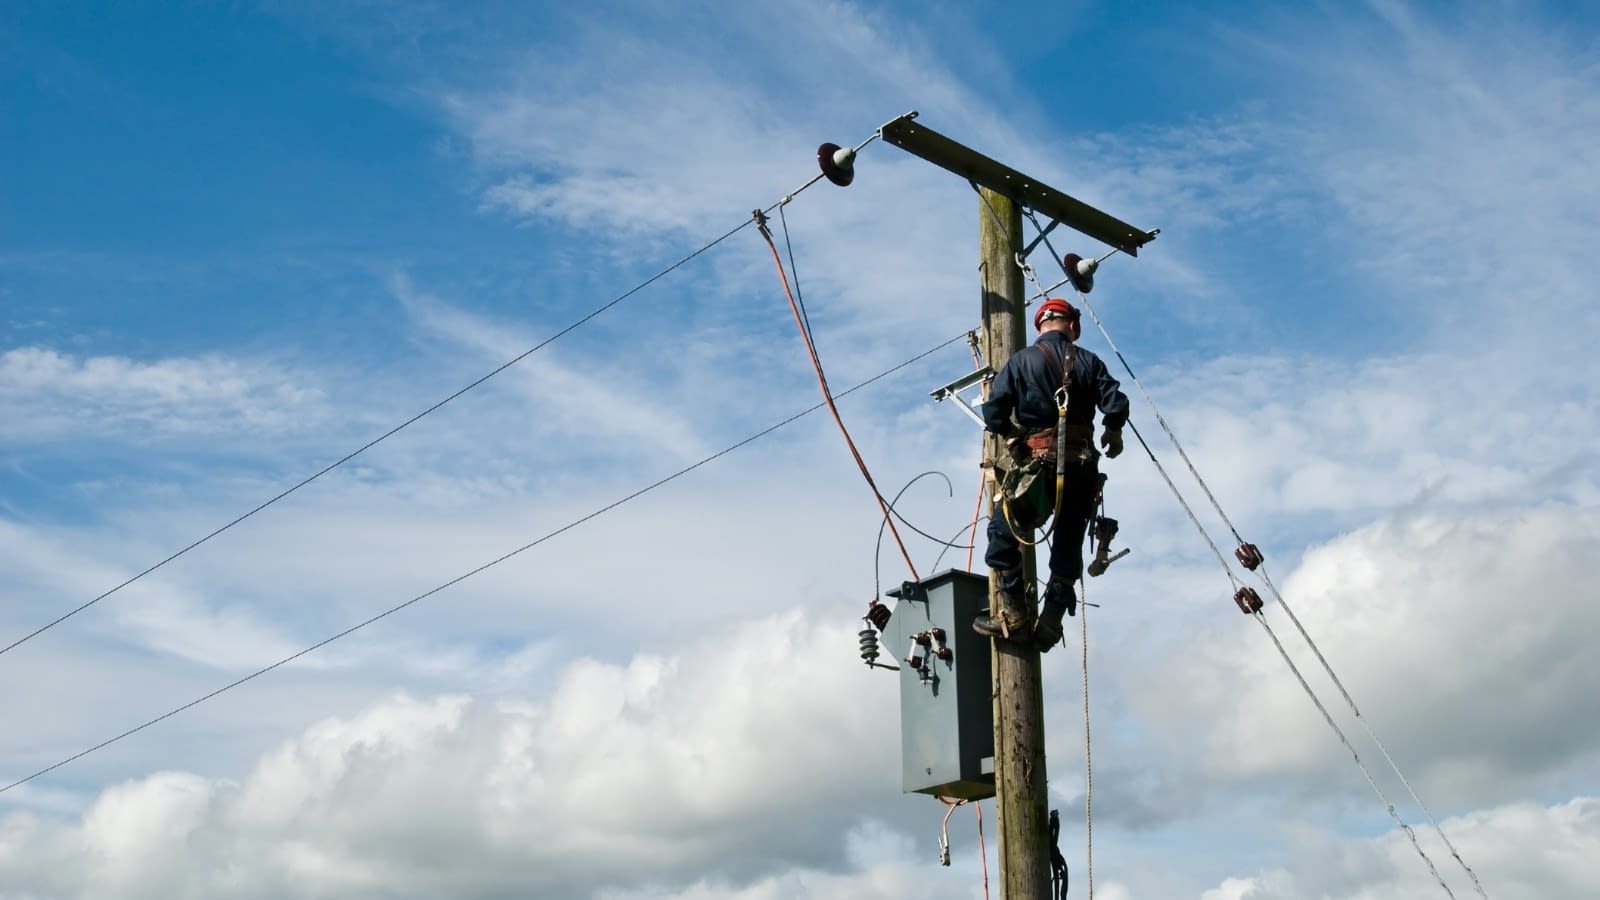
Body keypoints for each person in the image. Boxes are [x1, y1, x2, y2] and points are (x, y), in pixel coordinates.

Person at [974, 297, 1129, 651]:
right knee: (1068, 541)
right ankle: (1051, 621)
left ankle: (1014, 614)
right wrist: (1113, 432)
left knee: (1003, 533)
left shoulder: (1021, 362)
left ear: (1041, 327)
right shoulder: (1089, 362)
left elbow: (994, 412)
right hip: (1081, 469)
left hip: (1038, 469)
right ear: (1073, 326)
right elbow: (1115, 403)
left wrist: (1012, 435)